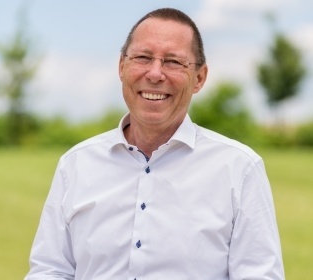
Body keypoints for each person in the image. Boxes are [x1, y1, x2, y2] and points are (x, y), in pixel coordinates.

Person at [25, 7, 285, 280]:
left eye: (173, 62)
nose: (155, 73)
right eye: (142, 57)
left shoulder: (240, 169)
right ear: (121, 67)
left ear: (199, 78)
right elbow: (50, 271)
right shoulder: (75, 164)